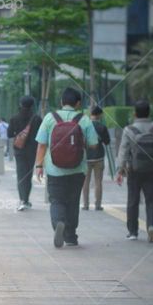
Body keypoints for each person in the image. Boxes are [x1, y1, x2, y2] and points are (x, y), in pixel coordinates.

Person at [34, 87, 99, 248]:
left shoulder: (50, 118)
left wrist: (39, 165)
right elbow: (93, 144)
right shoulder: (84, 120)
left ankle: (58, 224)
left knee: (56, 200)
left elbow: (42, 145)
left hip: (54, 170)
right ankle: (70, 237)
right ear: (78, 103)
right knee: (73, 201)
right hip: (77, 170)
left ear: (62, 102)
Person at [116, 99, 153, 243]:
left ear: (135, 113)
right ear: (149, 113)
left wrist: (120, 169)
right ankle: (151, 226)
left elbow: (123, 151)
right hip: (152, 171)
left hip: (134, 170)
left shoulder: (129, 130)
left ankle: (133, 232)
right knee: (151, 199)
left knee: (133, 200)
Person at [7, 95, 42, 211]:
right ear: (32, 105)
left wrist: (19, 134)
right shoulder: (37, 118)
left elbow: (9, 134)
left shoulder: (14, 118)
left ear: (20, 104)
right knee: (28, 174)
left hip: (19, 150)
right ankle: (26, 199)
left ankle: (22, 199)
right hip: (33, 150)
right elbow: (41, 135)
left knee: (21, 174)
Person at [82, 105, 111, 211]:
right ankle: (98, 205)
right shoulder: (102, 127)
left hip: (86, 158)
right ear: (100, 115)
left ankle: (85, 205)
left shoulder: (85, 126)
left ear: (91, 114)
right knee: (98, 181)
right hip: (99, 157)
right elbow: (107, 142)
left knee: (85, 182)